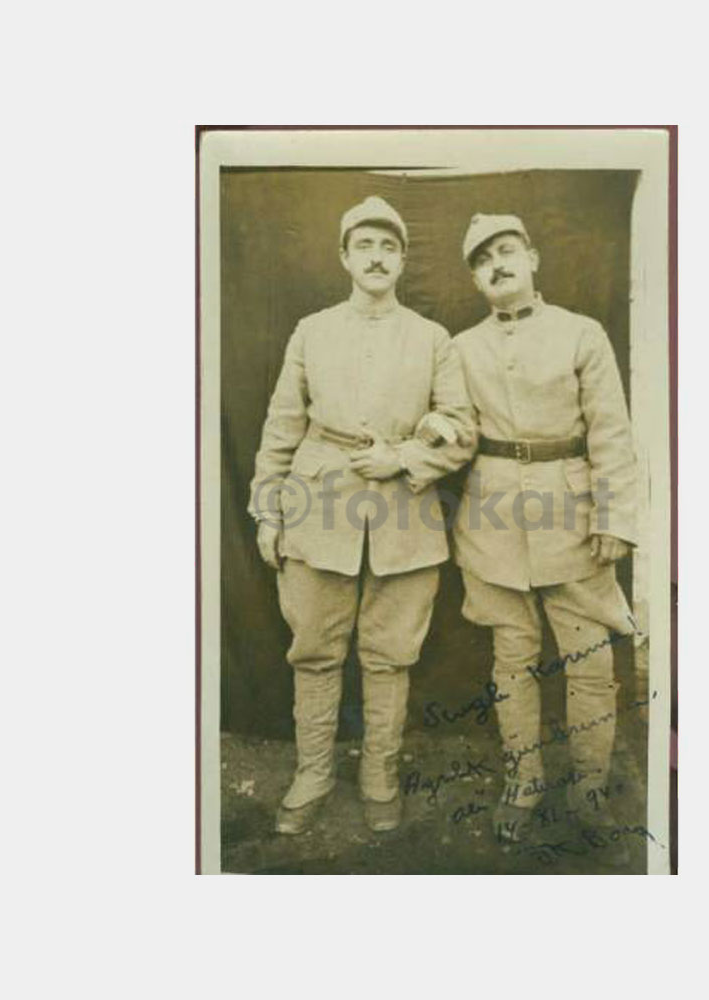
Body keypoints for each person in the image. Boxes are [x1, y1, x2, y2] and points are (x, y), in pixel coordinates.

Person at [249, 196, 475, 835]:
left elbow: (461, 430)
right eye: (365, 246)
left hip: (405, 514)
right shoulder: (311, 331)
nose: (377, 258)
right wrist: (268, 512)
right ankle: (313, 773)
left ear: (402, 260)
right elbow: (281, 427)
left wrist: (400, 457)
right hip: (317, 506)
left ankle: (380, 775)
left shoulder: (432, 339)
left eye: (389, 247)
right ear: (345, 257)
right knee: (315, 650)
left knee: (390, 654)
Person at [452, 213, 638, 851]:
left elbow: (611, 431)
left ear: (532, 257)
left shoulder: (581, 333)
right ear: (475, 279)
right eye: (483, 260)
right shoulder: (461, 348)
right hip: (492, 519)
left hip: (572, 515)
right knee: (512, 659)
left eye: (507, 250)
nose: (497, 265)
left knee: (590, 663)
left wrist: (614, 516)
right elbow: (453, 426)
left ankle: (589, 789)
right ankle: (524, 782)